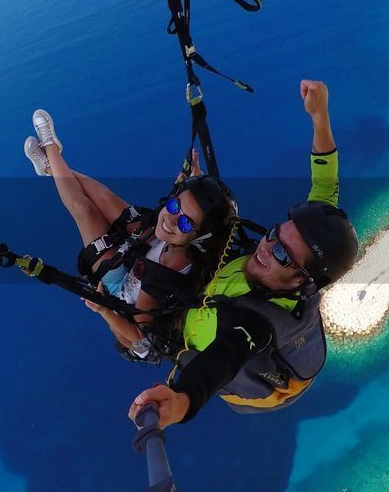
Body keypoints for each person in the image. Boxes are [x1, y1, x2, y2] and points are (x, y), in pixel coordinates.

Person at [127, 79, 358, 426]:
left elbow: (224, 359)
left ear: (302, 283)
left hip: (191, 332)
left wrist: (182, 402)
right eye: (273, 234)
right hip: (213, 293)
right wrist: (319, 116)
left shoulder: (256, 325)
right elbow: (325, 186)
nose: (266, 247)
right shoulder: (309, 247)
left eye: (282, 255)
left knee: (105, 276)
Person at [23, 109, 237, 360]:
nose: (171, 219)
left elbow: (140, 338)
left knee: (85, 211)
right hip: (153, 248)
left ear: (200, 237)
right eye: (174, 205)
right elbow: (190, 219)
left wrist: (104, 310)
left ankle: (51, 151)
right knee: (104, 196)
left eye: (186, 224)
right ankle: (52, 163)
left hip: (123, 288)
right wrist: (194, 185)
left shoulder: (166, 274)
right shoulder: (184, 235)